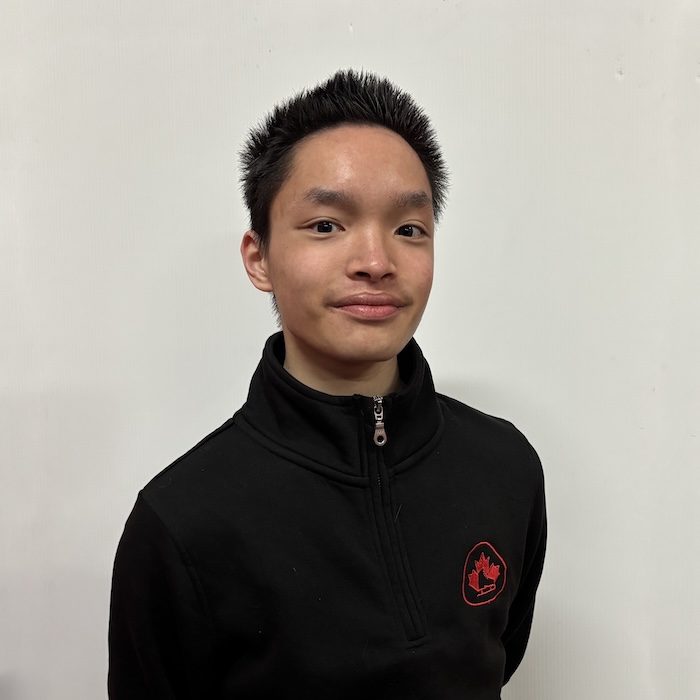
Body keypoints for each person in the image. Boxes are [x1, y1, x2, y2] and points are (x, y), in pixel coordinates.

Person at [108, 69, 546, 699]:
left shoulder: (504, 467)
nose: (375, 262)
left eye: (408, 229)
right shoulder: (181, 523)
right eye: (326, 225)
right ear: (259, 258)